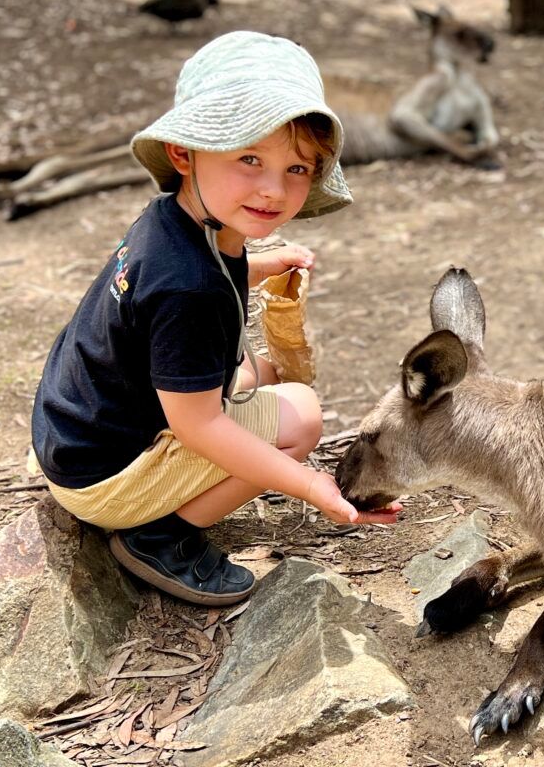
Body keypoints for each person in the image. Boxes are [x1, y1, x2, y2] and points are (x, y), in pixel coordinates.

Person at [30, 31, 400, 607]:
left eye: (299, 168)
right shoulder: (190, 287)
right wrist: (309, 485)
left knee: (258, 372)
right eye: (248, 158)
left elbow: (164, 302)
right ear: (185, 152)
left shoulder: (175, 223)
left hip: (73, 428)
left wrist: (261, 265)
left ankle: (158, 505)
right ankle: (157, 536)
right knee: (300, 416)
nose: (274, 189)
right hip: (100, 472)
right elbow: (198, 425)